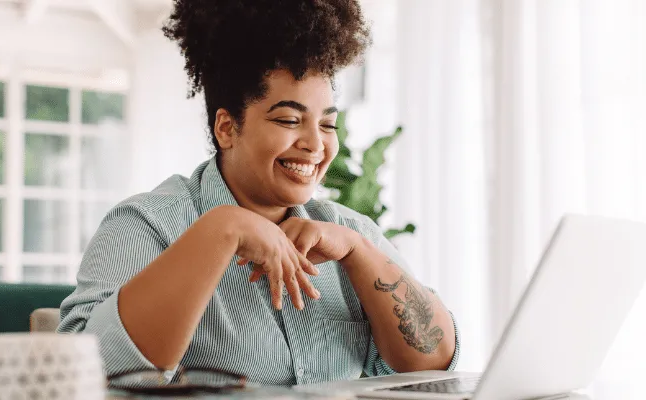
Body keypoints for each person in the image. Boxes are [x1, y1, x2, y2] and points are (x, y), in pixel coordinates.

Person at [58, 0, 460, 387]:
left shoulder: (349, 233)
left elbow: (435, 364)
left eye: (327, 125)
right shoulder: (145, 226)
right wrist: (221, 229)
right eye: (289, 119)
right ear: (227, 128)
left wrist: (359, 253)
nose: (315, 144)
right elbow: (83, 373)